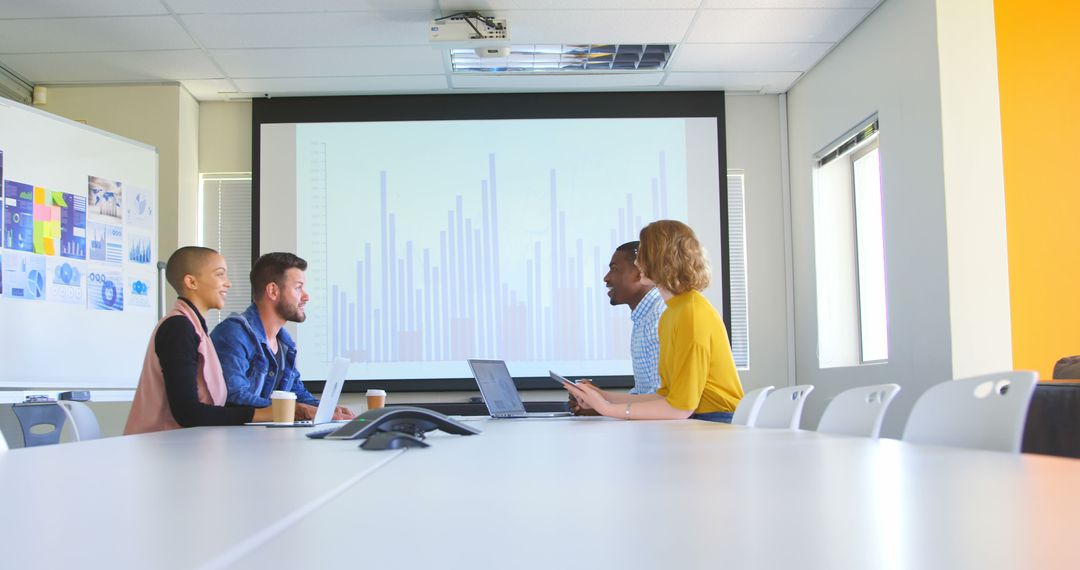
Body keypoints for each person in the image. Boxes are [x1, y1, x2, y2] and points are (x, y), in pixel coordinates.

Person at [565, 220, 744, 422]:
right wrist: (601, 398)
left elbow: (680, 409)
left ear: (660, 258)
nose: (637, 261)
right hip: (698, 422)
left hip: (715, 423)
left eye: (642, 253)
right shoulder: (672, 312)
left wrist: (606, 409)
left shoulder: (690, 312)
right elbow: (665, 397)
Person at [125, 247, 274, 434]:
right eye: (220, 275)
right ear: (192, 282)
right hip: (164, 452)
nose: (228, 283)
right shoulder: (178, 328)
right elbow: (188, 412)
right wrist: (266, 414)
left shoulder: (194, 326)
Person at [211, 252, 354, 421]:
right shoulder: (233, 333)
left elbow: (297, 393)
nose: (306, 296)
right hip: (237, 443)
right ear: (273, 291)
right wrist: (297, 410)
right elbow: (235, 397)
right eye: (298, 287)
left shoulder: (285, 343)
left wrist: (327, 410)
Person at [569, 241, 665, 415]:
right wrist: (599, 405)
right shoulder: (644, 317)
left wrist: (606, 406)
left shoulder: (659, 316)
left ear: (639, 272)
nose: (606, 278)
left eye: (614, 268)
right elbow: (645, 394)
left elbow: (662, 399)